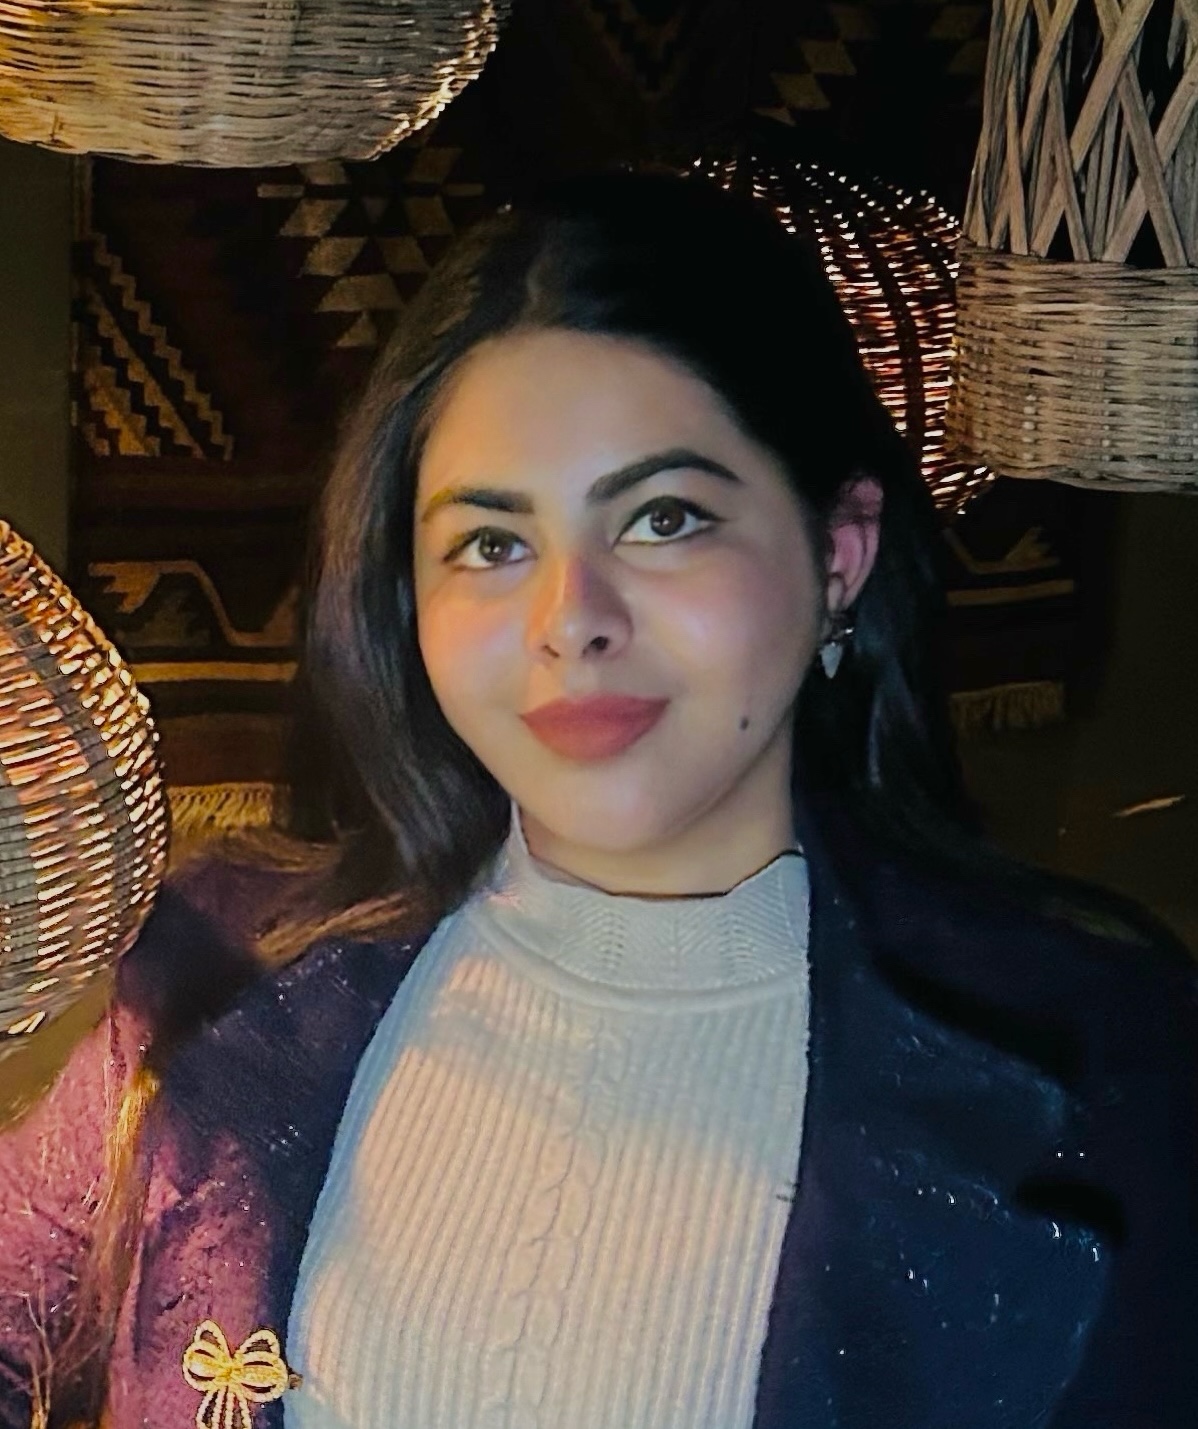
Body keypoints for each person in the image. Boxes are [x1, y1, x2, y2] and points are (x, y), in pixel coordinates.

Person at [1, 173, 1195, 1429]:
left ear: (838, 555)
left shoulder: (1107, 1065)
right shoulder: (212, 961)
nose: (570, 620)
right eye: (492, 543)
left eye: (664, 518)